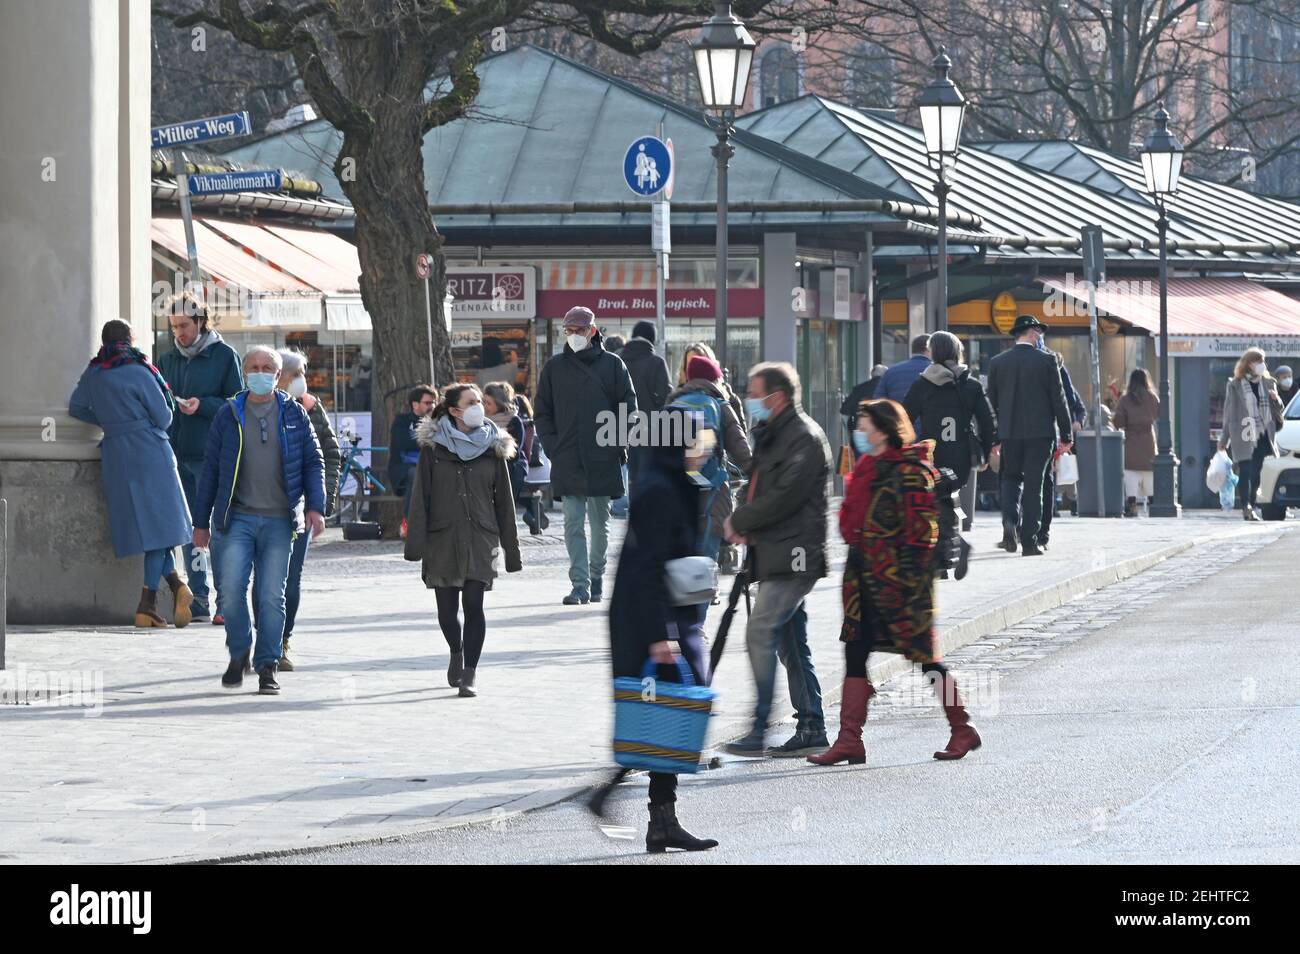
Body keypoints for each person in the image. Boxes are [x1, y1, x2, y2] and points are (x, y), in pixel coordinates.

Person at [809, 399, 981, 766]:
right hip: (862, 583)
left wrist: (901, 587)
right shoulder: (870, 467)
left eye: (865, 425)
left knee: (925, 660)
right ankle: (849, 740)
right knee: (855, 653)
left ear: (884, 429)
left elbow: (923, 536)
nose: (860, 432)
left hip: (902, 588)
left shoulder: (911, 472)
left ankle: (962, 728)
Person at [605, 422, 719, 853]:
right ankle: (636, 808)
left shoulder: (674, 482)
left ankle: (661, 821)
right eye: (696, 444)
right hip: (646, 620)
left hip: (665, 618)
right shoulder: (658, 490)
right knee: (656, 715)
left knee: (666, 716)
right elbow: (648, 566)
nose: (703, 452)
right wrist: (659, 635)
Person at [192, 346, 326, 695]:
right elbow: (211, 470)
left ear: (278, 374)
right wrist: (200, 522)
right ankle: (239, 654)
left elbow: (314, 461)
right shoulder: (228, 414)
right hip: (236, 519)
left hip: (281, 521)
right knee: (231, 592)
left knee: (271, 595)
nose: (260, 372)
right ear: (244, 372)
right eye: (253, 366)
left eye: (267, 367)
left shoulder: (295, 414)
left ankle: (267, 664)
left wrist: (316, 506)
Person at [723, 362, 830, 757]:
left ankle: (758, 726)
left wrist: (742, 519)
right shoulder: (774, 435)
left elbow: (785, 495)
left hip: (796, 554)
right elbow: (757, 484)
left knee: (760, 630)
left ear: (777, 397)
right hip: (777, 551)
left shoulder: (803, 437)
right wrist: (742, 513)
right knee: (788, 638)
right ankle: (811, 725)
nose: (749, 400)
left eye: (754, 393)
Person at [69, 320, 195, 628]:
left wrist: (109, 422)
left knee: (150, 530)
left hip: (115, 454)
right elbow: (165, 417)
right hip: (149, 451)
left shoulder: (94, 372)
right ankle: (146, 603)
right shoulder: (141, 370)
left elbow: (76, 407)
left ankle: (178, 588)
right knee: (161, 530)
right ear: (130, 340)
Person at [404, 384, 522, 697]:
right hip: (442, 537)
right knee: (446, 610)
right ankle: (456, 651)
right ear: (454, 410)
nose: (479, 407)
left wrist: (512, 551)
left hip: (482, 536)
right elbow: (421, 498)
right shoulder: (434, 448)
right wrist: (415, 545)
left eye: (481, 401)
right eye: (471, 402)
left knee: (473, 602)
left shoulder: (494, 446)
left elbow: (505, 503)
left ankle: (470, 671)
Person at [535, 306, 637, 605]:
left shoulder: (614, 365)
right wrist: (554, 447)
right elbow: (542, 412)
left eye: (579, 330)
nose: (574, 336)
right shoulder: (554, 368)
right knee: (572, 522)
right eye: (569, 331)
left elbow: (630, 409)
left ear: (592, 331)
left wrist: (617, 444)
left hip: (603, 456)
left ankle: (596, 575)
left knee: (600, 523)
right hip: (568, 456)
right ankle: (579, 583)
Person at [250, 350, 342, 671]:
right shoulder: (248, 408)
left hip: (296, 510)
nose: (304, 378)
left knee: (289, 579)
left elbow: (329, 455)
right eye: (299, 372)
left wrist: (321, 502)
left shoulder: (311, 410)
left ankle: (282, 640)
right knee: (263, 579)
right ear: (282, 376)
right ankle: (266, 640)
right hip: (257, 508)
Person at [157, 295, 243, 623]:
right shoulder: (168, 360)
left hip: (212, 455)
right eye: (174, 327)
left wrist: (202, 405)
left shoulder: (223, 356)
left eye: (184, 326)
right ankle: (198, 597)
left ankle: (225, 600)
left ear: (200, 322)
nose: (179, 333)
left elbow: (237, 403)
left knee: (217, 530)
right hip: (178, 456)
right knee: (191, 531)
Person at [903, 330, 995, 576]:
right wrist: (985, 452)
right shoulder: (971, 385)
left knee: (936, 503)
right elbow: (988, 422)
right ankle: (950, 553)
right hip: (961, 456)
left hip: (932, 455)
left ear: (934, 352)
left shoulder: (923, 384)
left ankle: (948, 555)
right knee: (947, 499)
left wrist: (903, 445)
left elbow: (904, 417)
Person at [986, 315, 1072, 556]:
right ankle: (1030, 542)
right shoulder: (1047, 361)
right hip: (1040, 434)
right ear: (1033, 333)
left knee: (1011, 479)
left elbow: (991, 404)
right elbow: (1059, 400)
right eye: (1039, 332)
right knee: (1034, 485)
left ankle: (1010, 521)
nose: (1040, 337)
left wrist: (994, 437)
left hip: (1009, 434)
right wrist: (1066, 434)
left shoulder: (997, 362)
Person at [666, 353, 753, 561]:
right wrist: (758, 474)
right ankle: (708, 592)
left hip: (676, 495)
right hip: (712, 493)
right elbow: (741, 449)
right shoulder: (720, 406)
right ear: (713, 380)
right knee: (706, 562)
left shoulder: (672, 405)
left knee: (680, 560)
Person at [1219, 347, 1284, 521]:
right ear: (1249, 364)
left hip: (1263, 434)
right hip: (1243, 433)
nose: (1262, 365)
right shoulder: (1235, 384)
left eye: (1263, 361)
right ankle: (1246, 506)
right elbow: (1229, 413)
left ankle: (1253, 503)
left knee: (1256, 473)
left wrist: (1275, 399)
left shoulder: (1269, 383)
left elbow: (1279, 409)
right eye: (1258, 361)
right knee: (1245, 471)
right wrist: (1224, 439)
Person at [1036, 342, 1086, 549]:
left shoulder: (1022, 363)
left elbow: (1072, 401)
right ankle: (1042, 531)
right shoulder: (1054, 366)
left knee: (1028, 480)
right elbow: (1069, 399)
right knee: (1046, 479)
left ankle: (1022, 524)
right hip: (1050, 431)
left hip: (1031, 431)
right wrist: (1068, 432)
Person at [1113, 369, 1159, 518]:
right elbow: (1159, 414)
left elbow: (1118, 422)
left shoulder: (1125, 400)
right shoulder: (1152, 398)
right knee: (1150, 480)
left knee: (1131, 477)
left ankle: (1132, 507)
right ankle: (1154, 507)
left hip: (1132, 443)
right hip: (1148, 444)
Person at [390, 385, 437, 530]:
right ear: (415, 404)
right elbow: (403, 443)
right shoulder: (402, 421)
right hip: (405, 468)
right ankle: (410, 522)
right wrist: (429, 440)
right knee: (417, 475)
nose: (432, 406)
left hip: (432, 466)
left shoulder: (438, 421)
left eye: (434, 402)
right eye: (428, 403)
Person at [514, 392, 550, 535]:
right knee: (531, 491)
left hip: (526, 472)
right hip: (544, 473)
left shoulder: (516, 424)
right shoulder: (535, 423)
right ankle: (534, 511)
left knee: (512, 488)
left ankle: (532, 511)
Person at [841, 362, 888, 447]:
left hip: (862, 433)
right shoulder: (888, 389)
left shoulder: (859, 388)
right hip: (882, 433)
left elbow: (845, 409)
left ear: (872, 375)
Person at [877, 334, 931, 403]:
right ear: (928, 349)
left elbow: (879, 400)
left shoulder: (891, 371)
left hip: (897, 412)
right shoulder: (936, 371)